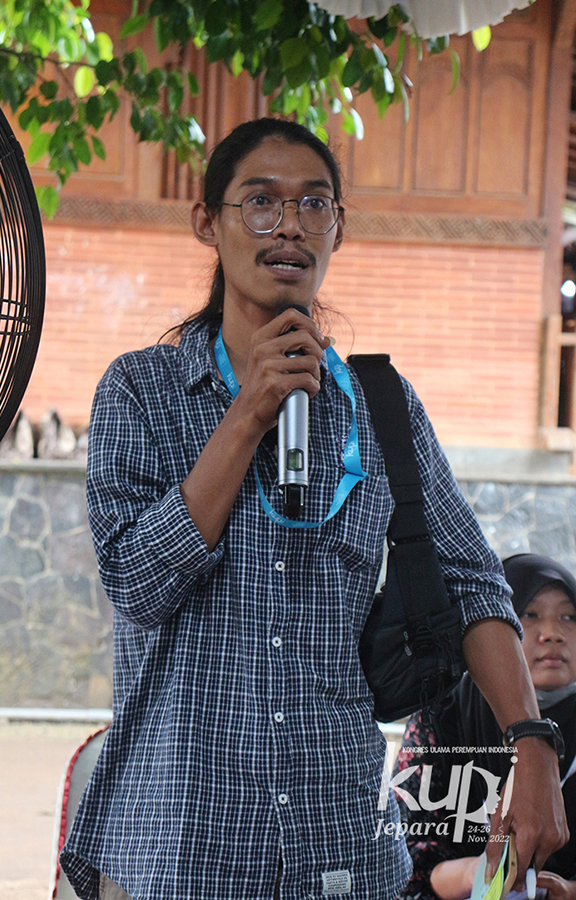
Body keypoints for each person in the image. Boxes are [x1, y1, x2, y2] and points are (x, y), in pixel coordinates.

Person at [59, 118, 567, 900]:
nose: (290, 225)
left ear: (338, 227)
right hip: (177, 848)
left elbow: (475, 583)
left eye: (314, 204)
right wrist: (247, 415)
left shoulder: (382, 408)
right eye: (261, 202)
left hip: (341, 848)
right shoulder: (141, 391)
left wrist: (531, 742)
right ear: (208, 222)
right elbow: (136, 582)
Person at [393, 553, 576, 900]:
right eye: (529, 614)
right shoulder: (443, 716)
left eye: (569, 616)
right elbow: (403, 859)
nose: (552, 634)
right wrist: (480, 872)